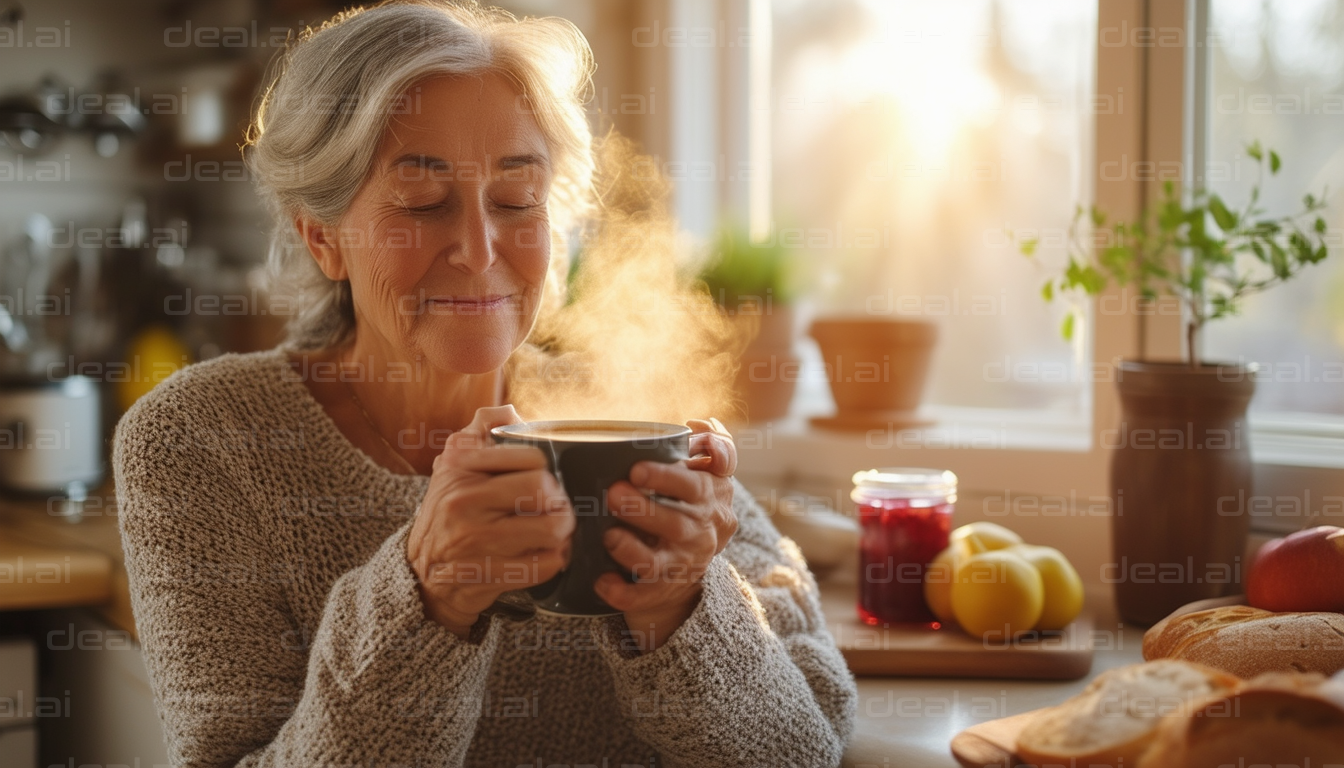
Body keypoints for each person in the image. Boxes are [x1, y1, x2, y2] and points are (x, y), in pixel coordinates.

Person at [114, 2, 856, 766]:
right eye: (423, 203)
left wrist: (683, 610)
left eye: (516, 199)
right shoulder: (203, 440)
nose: (477, 249)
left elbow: (810, 747)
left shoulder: (625, 415)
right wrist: (425, 598)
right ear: (322, 236)